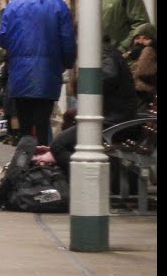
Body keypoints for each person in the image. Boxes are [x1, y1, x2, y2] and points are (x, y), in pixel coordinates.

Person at [0, 0, 77, 146]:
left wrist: (15, 53)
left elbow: (3, 37)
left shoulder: (14, 5)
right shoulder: (60, 6)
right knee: (42, 121)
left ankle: (25, 161)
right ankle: (43, 161)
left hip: (20, 73)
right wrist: (67, 63)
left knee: (25, 123)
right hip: (49, 73)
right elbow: (67, 41)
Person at [49, 35, 138, 179]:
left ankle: (88, 181)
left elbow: (109, 75)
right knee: (63, 141)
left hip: (112, 120)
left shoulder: (103, 53)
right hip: (113, 117)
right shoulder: (107, 52)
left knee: (58, 146)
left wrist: (84, 85)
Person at [129, 22, 157, 115]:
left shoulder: (151, 53)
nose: (140, 42)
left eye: (146, 38)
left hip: (145, 100)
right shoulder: (129, 56)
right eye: (137, 38)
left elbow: (145, 74)